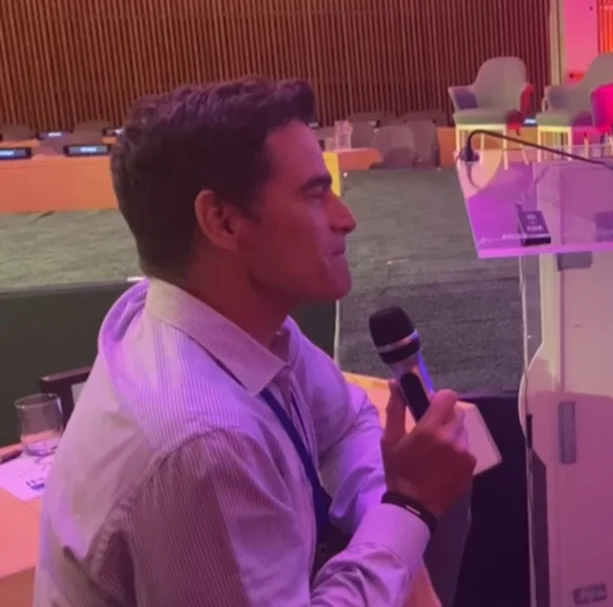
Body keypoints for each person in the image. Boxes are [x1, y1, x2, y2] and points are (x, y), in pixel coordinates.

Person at [35, 78, 476, 606]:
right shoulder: (201, 444)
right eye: (315, 194)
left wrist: (385, 514)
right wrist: (407, 508)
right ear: (222, 221)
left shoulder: (216, 319)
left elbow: (348, 422)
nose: (346, 218)